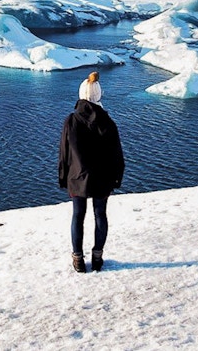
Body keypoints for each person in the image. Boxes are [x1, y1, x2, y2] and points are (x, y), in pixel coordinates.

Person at [58, 71, 124, 273]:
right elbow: (117, 154)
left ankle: (77, 258)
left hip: (77, 177)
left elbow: (64, 153)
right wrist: (117, 178)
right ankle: (97, 257)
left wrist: (63, 178)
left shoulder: (71, 120)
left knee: (78, 215)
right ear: (98, 95)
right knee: (100, 215)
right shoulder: (108, 122)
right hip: (103, 179)